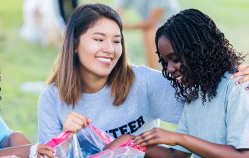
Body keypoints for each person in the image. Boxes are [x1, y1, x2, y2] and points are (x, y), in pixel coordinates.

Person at [38, 3, 249, 151]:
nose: (109, 49)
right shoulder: (52, 99)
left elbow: (212, 100)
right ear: (74, 44)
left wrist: (239, 78)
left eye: (116, 40)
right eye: (99, 39)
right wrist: (66, 136)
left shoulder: (143, 82)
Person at [134, 9, 249, 158]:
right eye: (165, 62)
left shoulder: (237, 86)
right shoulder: (195, 95)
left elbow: (243, 155)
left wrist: (179, 139)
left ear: (199, 50)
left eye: (175, 58)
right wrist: (134, 141)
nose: (169, 69)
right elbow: (177, 156)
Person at [115, 0, 180, 69]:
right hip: (155, 25)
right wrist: (120, 19)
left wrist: (129, 26)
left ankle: (154, 71)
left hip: (174, 26)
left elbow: (151, 22)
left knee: (150, 33)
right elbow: (117, 10)